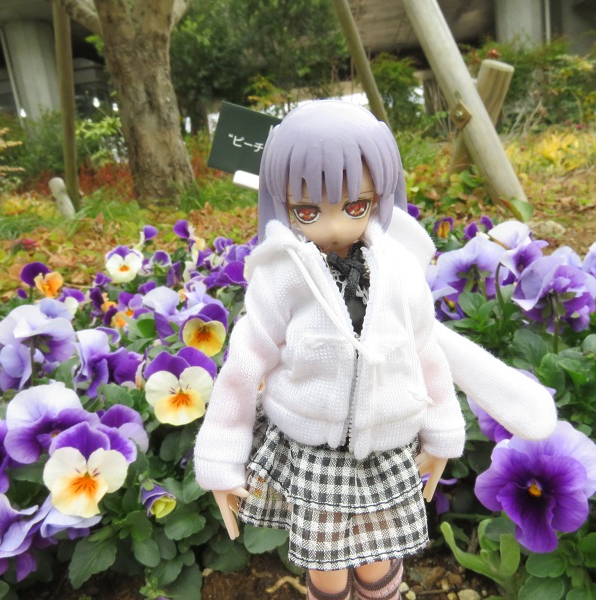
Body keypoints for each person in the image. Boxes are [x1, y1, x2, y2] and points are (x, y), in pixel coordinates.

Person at [194, 100, 557, 600]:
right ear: (283, 203)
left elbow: (425, 353)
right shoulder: (280, 275)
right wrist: (220, 459)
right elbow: (242, 367)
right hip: (314, 452)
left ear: (380, 198)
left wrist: (441, 433)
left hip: (387, 444)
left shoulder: (399, 269)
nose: (334, 227)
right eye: (307, 211)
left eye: (355, 206)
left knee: (379, 560)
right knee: (325, 568)